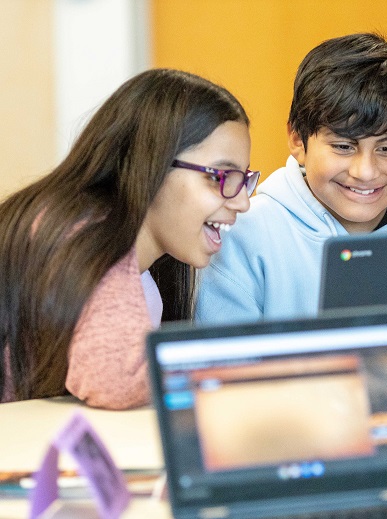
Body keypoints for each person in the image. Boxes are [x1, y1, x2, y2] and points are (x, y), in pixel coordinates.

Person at [0, 69, 257, 409]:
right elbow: (115, 382)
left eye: (244, 180)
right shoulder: (85, 235)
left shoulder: (141, 273)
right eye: (222, 177)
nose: (242, 201)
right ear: (152, 164)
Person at [195, 33, 387, 324]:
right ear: (297, 140)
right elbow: (223, 364)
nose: (365, 172)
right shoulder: (245, 235)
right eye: (343, 146)